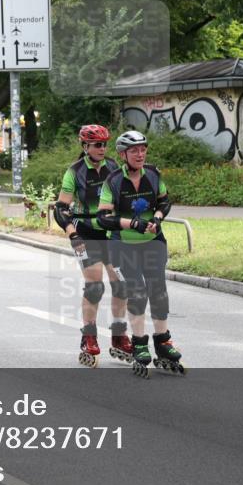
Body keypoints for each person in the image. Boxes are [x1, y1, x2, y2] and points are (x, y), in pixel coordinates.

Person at [96, 130, 183, 376]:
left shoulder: (153, 175)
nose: (140, 154)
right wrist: (132, 223)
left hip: (153, 241)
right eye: (134, 150)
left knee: (158, 291)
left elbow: (165, 201)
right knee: (137, 292)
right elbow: (103, 218)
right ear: (123, 154)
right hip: (122, 245)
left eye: (143, 149)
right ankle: (139, 343)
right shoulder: (113, 181)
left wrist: (157, 217)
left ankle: (163, 342)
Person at [54, 125, 131, 367]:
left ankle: (119, 337)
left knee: (121, 285)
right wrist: (72, 234)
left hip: (110, 232)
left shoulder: (113, 168)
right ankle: (88, 338)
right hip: (85, 232)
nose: (102, 148)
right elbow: (60, 208)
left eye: (105, 144)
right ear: (85, 147)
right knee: (95, 285)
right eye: (97, 145)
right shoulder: (74, 172)